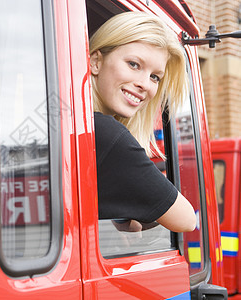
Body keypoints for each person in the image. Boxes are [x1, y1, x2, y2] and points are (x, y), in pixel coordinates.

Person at [89, 12, 196, 232]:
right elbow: (186, 220)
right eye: (134, 64)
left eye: (155, 77)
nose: (145, 85)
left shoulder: (73, 126)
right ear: (96, 61)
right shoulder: (104, 132)